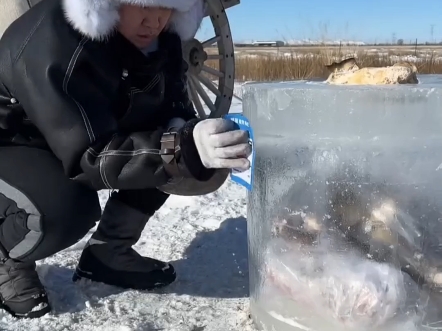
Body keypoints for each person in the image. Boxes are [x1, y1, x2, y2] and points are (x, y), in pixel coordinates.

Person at [0, 0, 251, 319]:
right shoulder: (53, 38)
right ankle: (6, 254)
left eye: (165, 10)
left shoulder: (163, 40)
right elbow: (88, 158)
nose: (155, 22)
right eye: (143, 7)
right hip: (14, 141)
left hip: (72, 136)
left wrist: (187, 136)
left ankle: (109, 253)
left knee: (197, 162)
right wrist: (177, 147)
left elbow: (174, 106)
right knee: (67, 211)